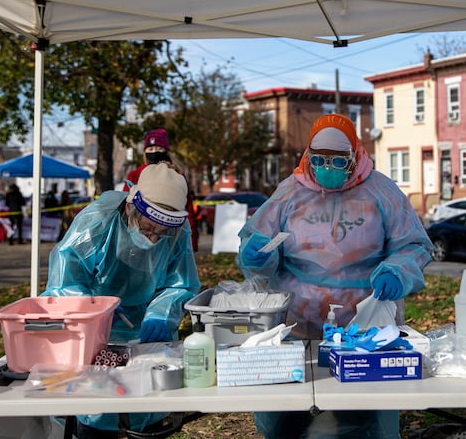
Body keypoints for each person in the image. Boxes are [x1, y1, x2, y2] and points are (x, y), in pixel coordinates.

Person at [235, 113, 432, 438]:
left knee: (365, 415)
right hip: (299, 328)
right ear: (308, 156)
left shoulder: (381, 192)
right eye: (319, 159)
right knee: (291, 418)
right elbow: (258, 246)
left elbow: (414, 244)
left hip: (366, 332)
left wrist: (397, 271)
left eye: (337, 161)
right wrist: (256, 256)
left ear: (354, 157)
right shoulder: (289, 193)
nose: (327, 166)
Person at [43, 162, 201, 438]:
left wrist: (162, 313)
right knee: (97, 410)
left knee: (149, 408)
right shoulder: (97, 222)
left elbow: (181, 283)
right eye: (149, 227)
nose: (153, 239)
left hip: (147, 331)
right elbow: (64, 280)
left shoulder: (178, 231)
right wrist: (93, 310)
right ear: (130, 207)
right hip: (94, 330)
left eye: (161, 233)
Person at [125, 128, 200, 252]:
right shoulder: (134, 175)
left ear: (166, 151)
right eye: (150, 149)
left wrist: (191, 242)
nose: (154, 152)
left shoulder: (177, 177)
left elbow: (187, 212)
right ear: (144, 152)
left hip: (166, 243)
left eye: (159, 148)